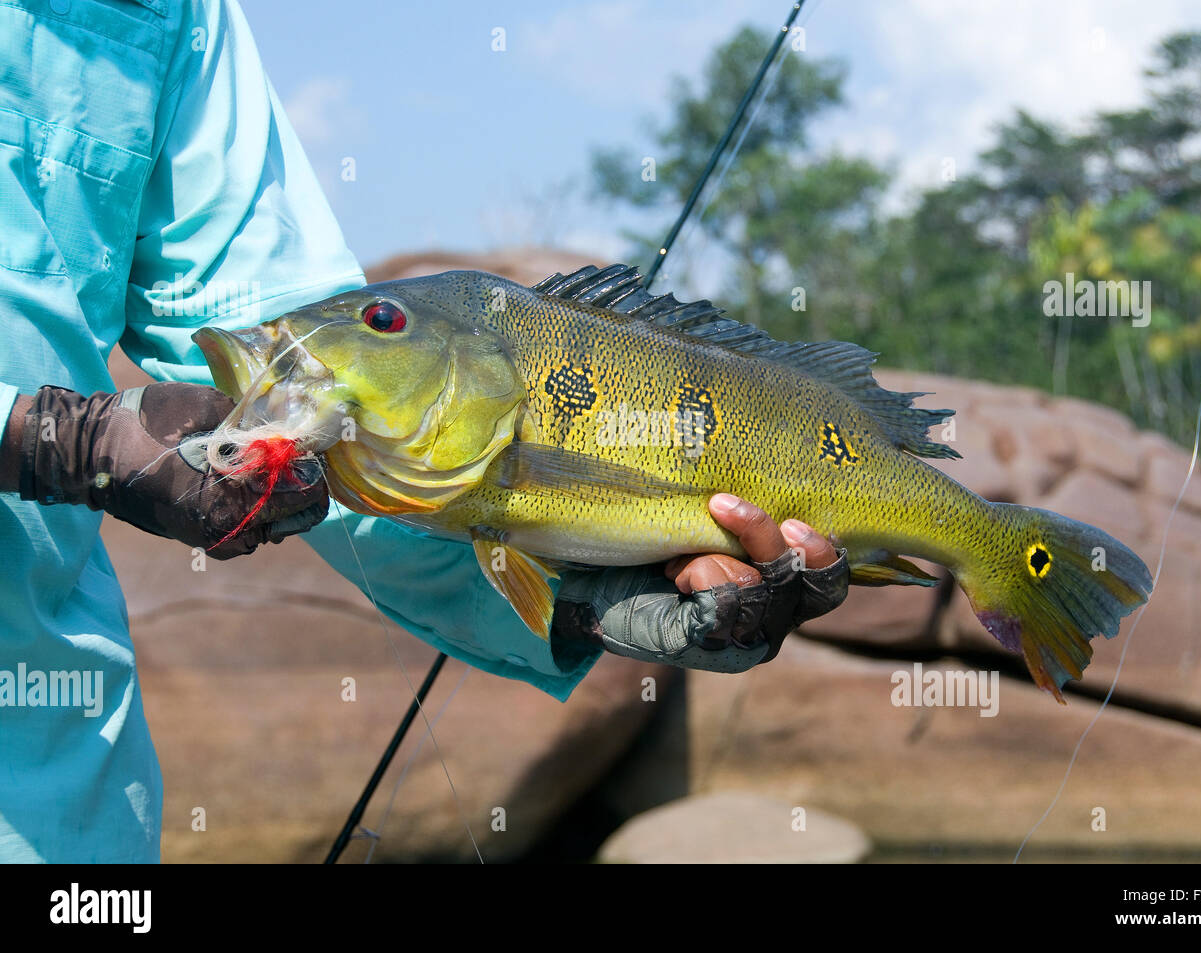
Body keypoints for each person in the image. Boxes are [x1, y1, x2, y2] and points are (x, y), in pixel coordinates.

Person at [0, 0, 848, 863]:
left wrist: (577, 598)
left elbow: (304, 375)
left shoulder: (173, 14)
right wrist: (40, 435)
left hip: (68, 800)